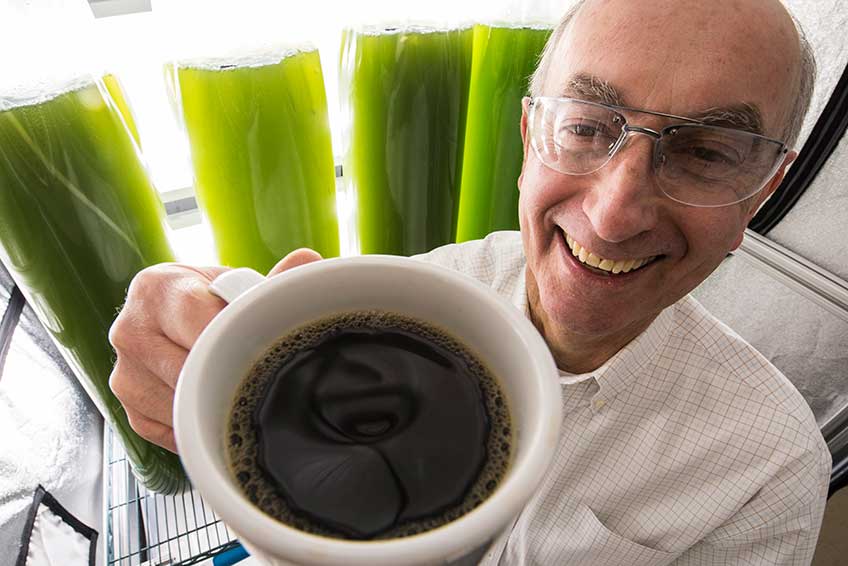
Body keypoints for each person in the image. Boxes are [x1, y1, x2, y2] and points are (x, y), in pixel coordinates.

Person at [108, 0, 831, 563]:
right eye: (585, 125)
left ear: (762, 194)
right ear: (528, 141)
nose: (614, 216)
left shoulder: (767, 467)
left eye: (705, 152)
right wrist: (183, 330)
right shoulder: (415, 297)